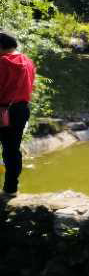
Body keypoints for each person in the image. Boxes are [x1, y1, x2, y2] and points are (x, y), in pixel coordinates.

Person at [0, 31, 36, 198]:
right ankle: (11, 189)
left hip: (2, 109)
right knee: (12, 150)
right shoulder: (28, 62)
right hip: (21, 110)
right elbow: (31, 87)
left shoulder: (2, 63)